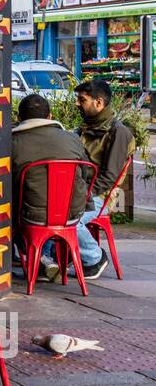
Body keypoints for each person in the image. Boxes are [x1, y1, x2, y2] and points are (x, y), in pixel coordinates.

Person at [11, 92, 91, 279]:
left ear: (19, 118)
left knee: (7, 219)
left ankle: (40, 261)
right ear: (50, 117)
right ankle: (44, 260)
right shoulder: (72, 139)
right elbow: (86, 173)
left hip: (30, 217)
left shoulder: (12, 143)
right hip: (71, 214)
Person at [73, 77, 135, 279]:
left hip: (100, 196)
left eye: (82, 100)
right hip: (80, 190)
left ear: (98, 103)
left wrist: (82, 196)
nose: (77, 104)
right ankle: (49, 261)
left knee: (69, 218)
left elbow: (109, 177)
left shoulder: (119, 133)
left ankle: (95, 257)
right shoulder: (83, 128)